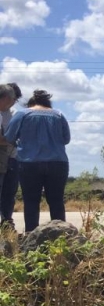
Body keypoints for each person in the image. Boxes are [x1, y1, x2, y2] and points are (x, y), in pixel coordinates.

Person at [3, 90, 70, 233]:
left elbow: (9, 137)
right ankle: (61, 236)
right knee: (56, 201)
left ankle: (31, 237)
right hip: (58, 162)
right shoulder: (58, 114)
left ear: (31, 103)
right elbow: (66, 139)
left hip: (29, 163)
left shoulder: (22, 114)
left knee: (31, 202)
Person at [0, 83, 22, 229]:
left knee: (9, 191)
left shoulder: (15, 114)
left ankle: (6, 221)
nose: (14, 102)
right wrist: (9, 139)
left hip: (13, 158)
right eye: (13, 99)